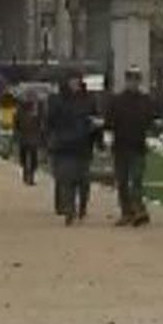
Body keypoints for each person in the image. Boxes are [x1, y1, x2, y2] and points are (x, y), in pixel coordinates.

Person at [104, 66, 158, 226]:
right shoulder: (117, 101)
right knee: (122, 182)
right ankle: (126, 212)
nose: (133, 82)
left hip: (138, 146)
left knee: (136, 180)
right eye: (130, 79)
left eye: (136, 79)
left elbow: (151, 121)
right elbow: (109, 122)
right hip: (120, 146)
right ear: (126, 81)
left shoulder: (145, 100)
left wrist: (155, 126)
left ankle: (138, 209)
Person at [47, 71, 97, 225]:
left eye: (77, 81)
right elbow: (50, 121)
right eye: (71, 81)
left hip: (83, 146)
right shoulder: (58, 100)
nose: (74, 84)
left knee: (83, 182)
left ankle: (82, 206)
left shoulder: (88, 100)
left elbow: (94, 120)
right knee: (67, 180)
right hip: (64, 146)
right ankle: (69, 209)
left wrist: (96, 137)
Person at [14, 92, 44, 185]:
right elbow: (16, 123)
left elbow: (41, 122)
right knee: (25, 157)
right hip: (25, 137)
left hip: (32, 137)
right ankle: (26, 173)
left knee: (32, 158)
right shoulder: (20, 110)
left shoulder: (37, 110)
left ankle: (30, 176)